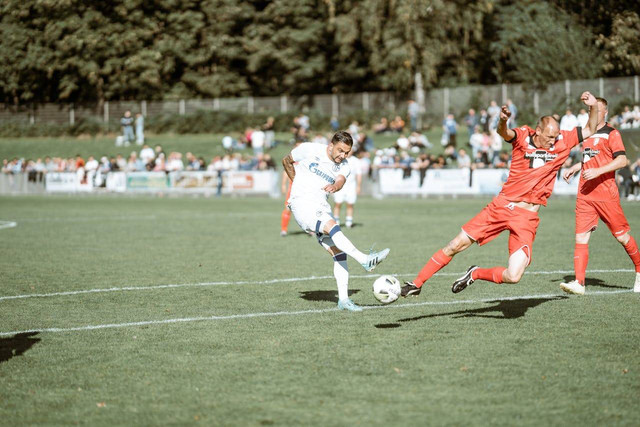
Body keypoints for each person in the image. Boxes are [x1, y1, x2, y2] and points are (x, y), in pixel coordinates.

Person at [401, 91, 599, 298]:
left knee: (513, 276)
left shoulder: (563, 140)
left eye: (555, 136)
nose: (553, 140)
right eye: (549, 136)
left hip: (527, 218)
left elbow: (590, 128)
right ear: (538, 130)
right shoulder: (523, 136)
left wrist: (592, 106)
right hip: (502, 207)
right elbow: (504, 133)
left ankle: (475, 273)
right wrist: (502, 121)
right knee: (455, 244)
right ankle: (416, 283)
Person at [282, 131, 390, 312]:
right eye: (340, 151)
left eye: (347, 152)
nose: (343, 155)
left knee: (339, 253)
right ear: (331, 145)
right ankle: (365, 259)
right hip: (302, 204)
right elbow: (286, 160)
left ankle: (344, 300)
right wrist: (298, 183)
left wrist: (335, 186)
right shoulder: (308, 149)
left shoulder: (345, 166)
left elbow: (340, 181)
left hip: (321, 207)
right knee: (332, 226)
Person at [560, 97, 640, 294]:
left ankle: (639, 270)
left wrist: (598, 172)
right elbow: (591, 159)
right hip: (585, 194)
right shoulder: (586, 134)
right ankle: (579, 283)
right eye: (590, 110)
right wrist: (576, 167)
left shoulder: (612, 133)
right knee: (581, 237)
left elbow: (622, 160)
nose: (592, 112)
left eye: (596, 109)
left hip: (606, 194)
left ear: (605, 112)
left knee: (622, 237)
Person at [333, 150, 362, 228]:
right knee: (338, 203)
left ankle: (349, 222)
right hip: (340, 185)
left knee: (350, 204)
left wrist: (358, 186)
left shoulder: (356, 161)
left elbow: (359, 174)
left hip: (351, 186)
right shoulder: (339, 159)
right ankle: (336, 221)